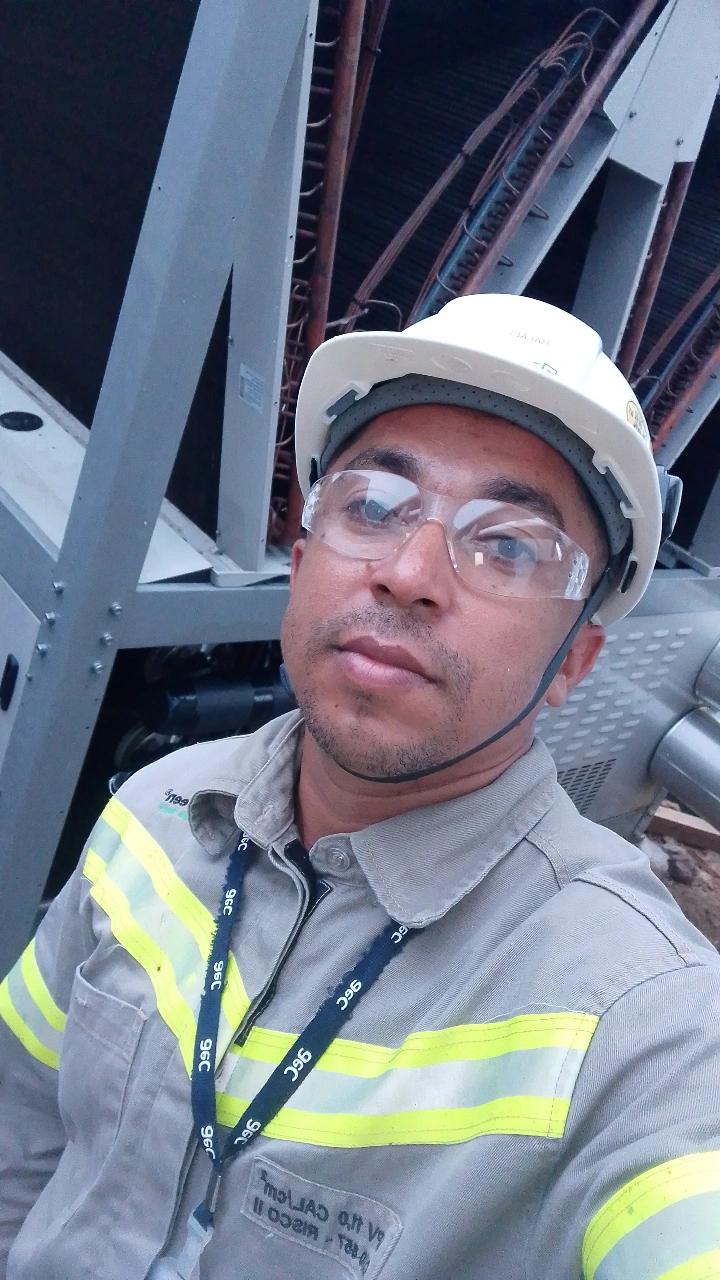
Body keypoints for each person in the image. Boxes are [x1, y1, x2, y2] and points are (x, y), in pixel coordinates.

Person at [1, 293, 718, 1280]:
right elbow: (20, 1124)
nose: (410, 570)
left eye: (509, 544)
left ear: (574, 661)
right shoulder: (156, 809)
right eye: (375, 506)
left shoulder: (641, 1022)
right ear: (302, 564)